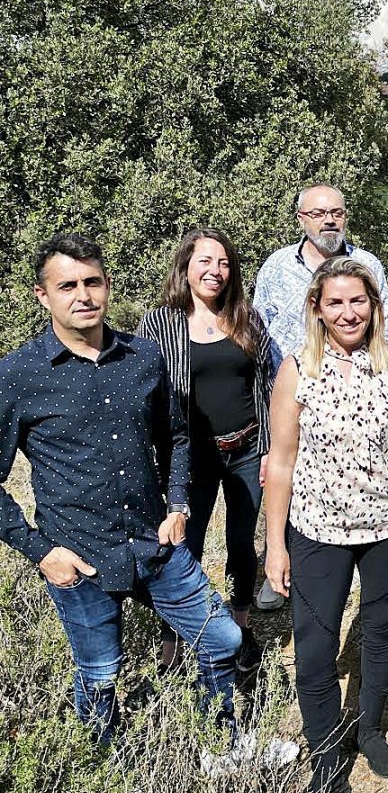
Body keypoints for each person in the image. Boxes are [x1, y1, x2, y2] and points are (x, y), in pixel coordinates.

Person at [0, 235, 244, 749]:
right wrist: (41, 552)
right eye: (67, 285)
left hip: (154, 544)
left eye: (93, 281)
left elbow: (175, 435)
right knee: (101, 673)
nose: (83, 295)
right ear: (43, 296)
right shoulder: (18, 376)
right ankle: (103, 762)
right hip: (79, 556)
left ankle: (220, 745)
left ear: (107, 287)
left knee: (222, 639)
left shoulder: (143, 357)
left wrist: (178, 504)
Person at [263, 257, 388, 793]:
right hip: (317, 529)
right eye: (335, 302)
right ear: (317, 307)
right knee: (316, 650)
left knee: (380, 631)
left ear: (374, 305)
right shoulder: (296, 370)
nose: (348, 312)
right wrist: (274, 546)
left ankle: (368, 729)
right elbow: (282, 462)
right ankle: (326, 753)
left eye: (357, 300)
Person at [252, 181, 388, 611]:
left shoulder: (367, 263)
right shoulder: (276, 267)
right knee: (284, 479)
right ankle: (280, 566)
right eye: (318, 213)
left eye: (336, 212)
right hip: (292, 395)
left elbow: (386, 328)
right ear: (301, 220)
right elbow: (257, 333)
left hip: (357, 394)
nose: (329, 220)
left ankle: (348, 565)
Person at [137, 228, 273, 674]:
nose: (216, 271)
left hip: (247, 449)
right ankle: (176, 636)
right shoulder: (160, 323)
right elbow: (143, 389)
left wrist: (271, 448)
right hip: (189, 457)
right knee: (183, 546)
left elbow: (268, 384)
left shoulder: (246, 317)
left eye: (224, 263)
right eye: (205, 262)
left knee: (240, 543)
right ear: (186, 267)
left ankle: (240, 625)